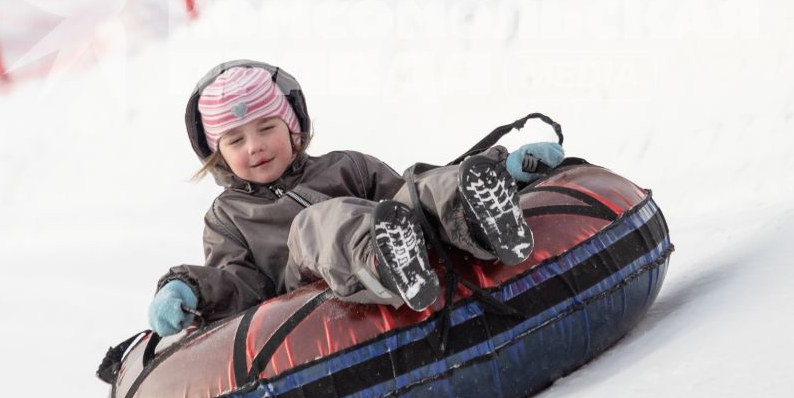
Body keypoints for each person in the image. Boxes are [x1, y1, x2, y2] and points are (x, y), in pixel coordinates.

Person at [145, 60, 565, 337]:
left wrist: (502, 166)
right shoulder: (228, 217)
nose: (255, 147)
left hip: (401, 237)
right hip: (306, 283)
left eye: (267, 128)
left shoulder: (347, 165)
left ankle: (480, 212)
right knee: (314, 223)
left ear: (294, 128)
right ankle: (386, 261)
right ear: (218, 156)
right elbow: (240, 284)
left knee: (417, 186)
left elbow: (403, 202)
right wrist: (188, 287)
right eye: (236, 140)